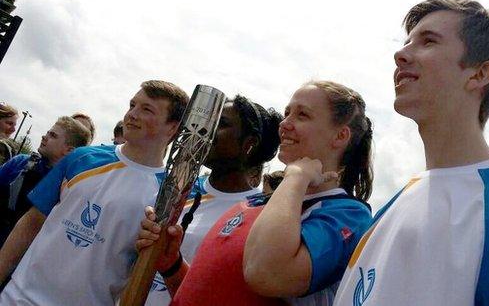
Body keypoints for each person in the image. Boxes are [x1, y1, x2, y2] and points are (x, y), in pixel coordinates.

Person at [334, 0, 489, 305]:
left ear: (478, 74)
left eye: (428, 41)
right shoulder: (390, 207)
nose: (400, 54)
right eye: (406, 42)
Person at [138, 81, 374, 305]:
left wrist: (296, 176)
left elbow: (268, 274)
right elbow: (207, 295)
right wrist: (172, 265)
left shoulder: (347, 215)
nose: (285, 123)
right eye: (287, 112)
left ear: (340, 136)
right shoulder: (254, 204)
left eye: (302, 115)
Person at [0, 80, 189, 305]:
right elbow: (31, 223)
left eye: (146, 109)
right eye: (132, 105)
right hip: (18, 298)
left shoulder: (167, 196)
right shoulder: (82, 158)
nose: (132, 114)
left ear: (173, 127)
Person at [144, 95, 282, 306]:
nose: (207, 132)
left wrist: (172, 265)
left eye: (222, 124)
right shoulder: (175, 190)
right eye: (211, 122)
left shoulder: (257, 216)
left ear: (249, 144)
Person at [0, 116, 90, 247]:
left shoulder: (71, 188)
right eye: (47, 132)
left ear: (69, 150)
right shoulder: (20, 163)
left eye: (52, 135)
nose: (44, 136)